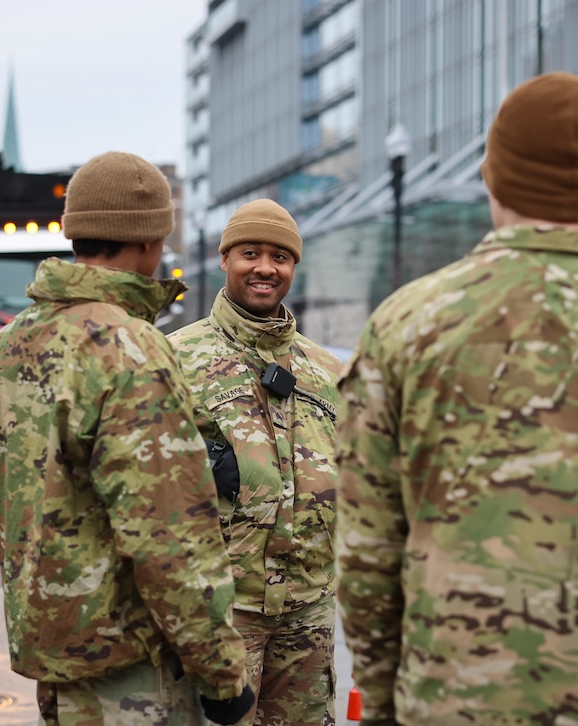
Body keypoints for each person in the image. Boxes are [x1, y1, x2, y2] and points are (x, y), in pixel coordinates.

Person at [335, 71, 578, 725]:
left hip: (452, 695)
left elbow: (368, 551)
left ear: (491, 174)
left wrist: (385, 700)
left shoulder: (406, 325)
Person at [0, 150, 254, 725]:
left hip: (55, 654)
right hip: (134, 666)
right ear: (151, 240)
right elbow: (170, 535)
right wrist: (222, 672)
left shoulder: (4, 348)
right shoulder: (127, 348)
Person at [169, 198, 344, 725]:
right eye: (250, 253)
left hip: (308, 611)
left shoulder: (327, 370)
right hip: (221, 615)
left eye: (280, 257)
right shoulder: (175, 358)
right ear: (225, 260)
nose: (265, 267)